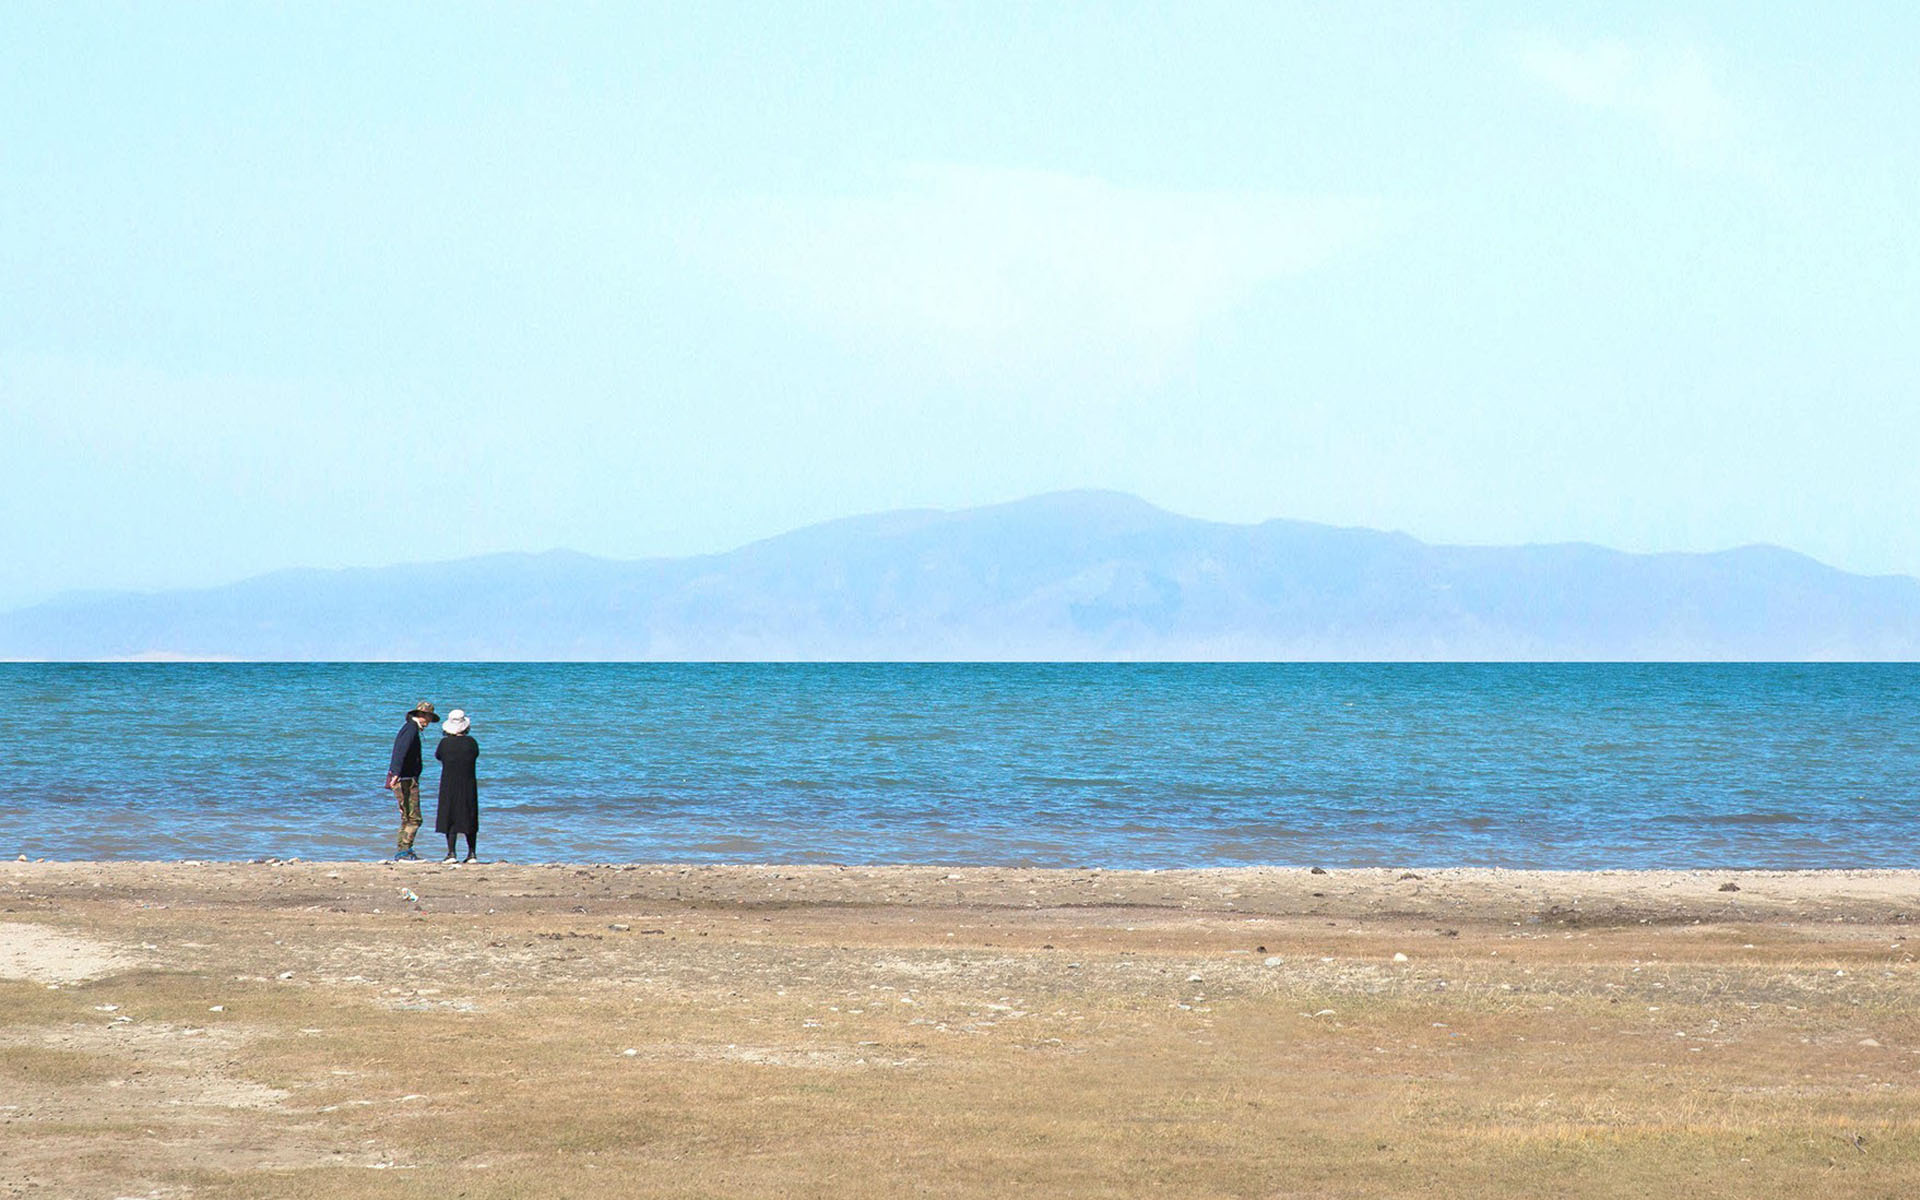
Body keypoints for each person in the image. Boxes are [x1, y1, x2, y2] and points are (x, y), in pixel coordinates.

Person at [385, 701, 439, 861]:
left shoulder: (409, 728)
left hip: (404, 777)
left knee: (406, 817)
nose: (428, 722)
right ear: (421, 715)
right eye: (428, 717)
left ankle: (403, 850)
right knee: (414, 818)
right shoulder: (410, 729)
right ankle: (404, 851)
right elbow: (401, 751)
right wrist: (395, 773)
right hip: (406, 779)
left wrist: (395, 773)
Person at [434, 709, 480, 862]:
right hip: (468, 783)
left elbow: (438, 756)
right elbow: (475, 755)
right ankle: (472, 853)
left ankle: (451, 853)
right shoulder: (472, 743)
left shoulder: (445, 744)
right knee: (470, 816)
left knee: (450, 816)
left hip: (449, 783)